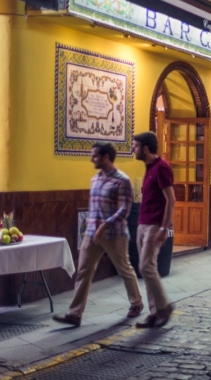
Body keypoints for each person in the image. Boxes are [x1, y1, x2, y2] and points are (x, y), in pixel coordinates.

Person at [53, 143, 143, 327]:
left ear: (106, 157)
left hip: (115, 235)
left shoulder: (122, 180)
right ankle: (74, 314)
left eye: (94, 156)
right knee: (83, 272)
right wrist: (91, 228)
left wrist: (106, 225)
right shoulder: (95, 179)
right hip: (92, 234)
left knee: (124, 269)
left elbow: (125, 210)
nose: (91, 159)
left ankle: (137, 303)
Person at [133, 132, 175, 328]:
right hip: (143, 223)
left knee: (146, 267)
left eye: (135, 146)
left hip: (154, 225)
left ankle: (162, 307)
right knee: (147, 268)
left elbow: (171, 200)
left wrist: (164, 227)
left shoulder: (161, 168)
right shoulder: (149, 168)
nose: (133, 149)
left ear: (146, 148)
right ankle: (155, 312)